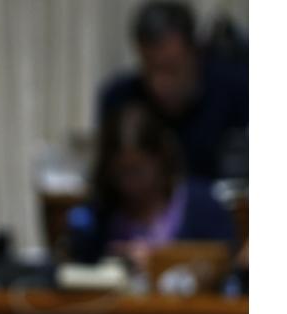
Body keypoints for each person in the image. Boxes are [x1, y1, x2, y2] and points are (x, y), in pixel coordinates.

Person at [67, 103, 234, 267]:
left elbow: (227, 264)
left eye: (137, 170)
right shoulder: (99, 214)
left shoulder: (203, 206)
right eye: (121, 171)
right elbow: (77, 265)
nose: (129, 182)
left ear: (160, 159)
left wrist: (159, 261)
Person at [97, 1, 247, 180]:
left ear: (194, 55)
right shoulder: (121, 99)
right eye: (150, 69)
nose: (159, 83)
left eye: (171, 69)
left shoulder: (239, 90)